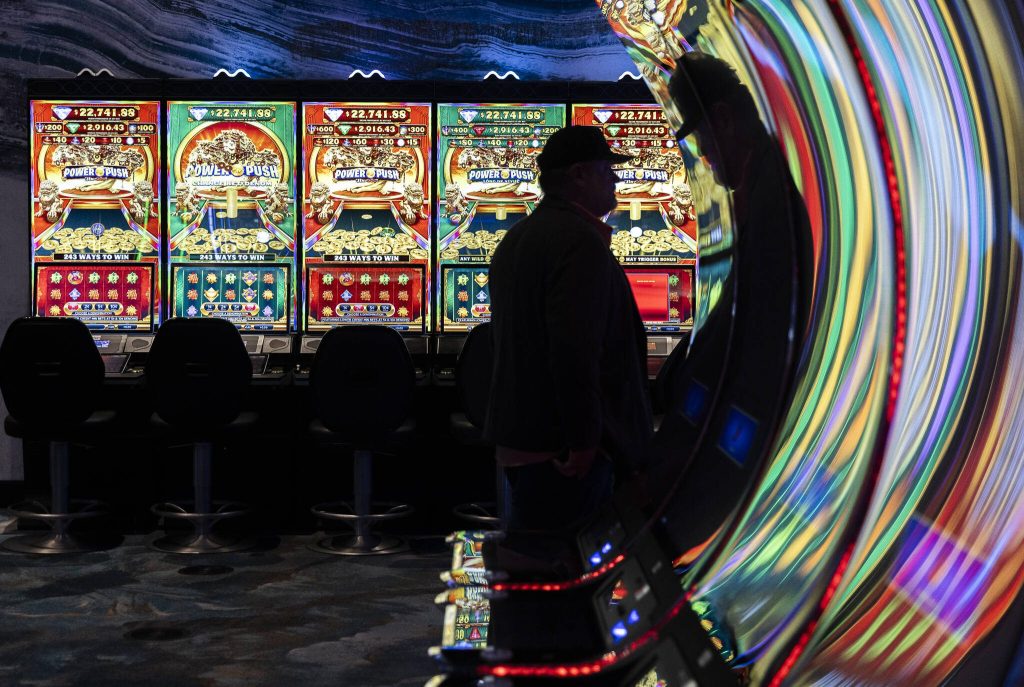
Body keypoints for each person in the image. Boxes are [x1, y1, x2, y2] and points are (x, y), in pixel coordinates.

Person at [484, 125, 654, 533]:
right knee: (568, 570)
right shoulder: (578, 241)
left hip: (527, 434)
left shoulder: (519, 236)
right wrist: (583, 440)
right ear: (579, 175)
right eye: (606, 170)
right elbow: (573, 350)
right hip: (563, 448)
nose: (615, 179)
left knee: (541, 559)